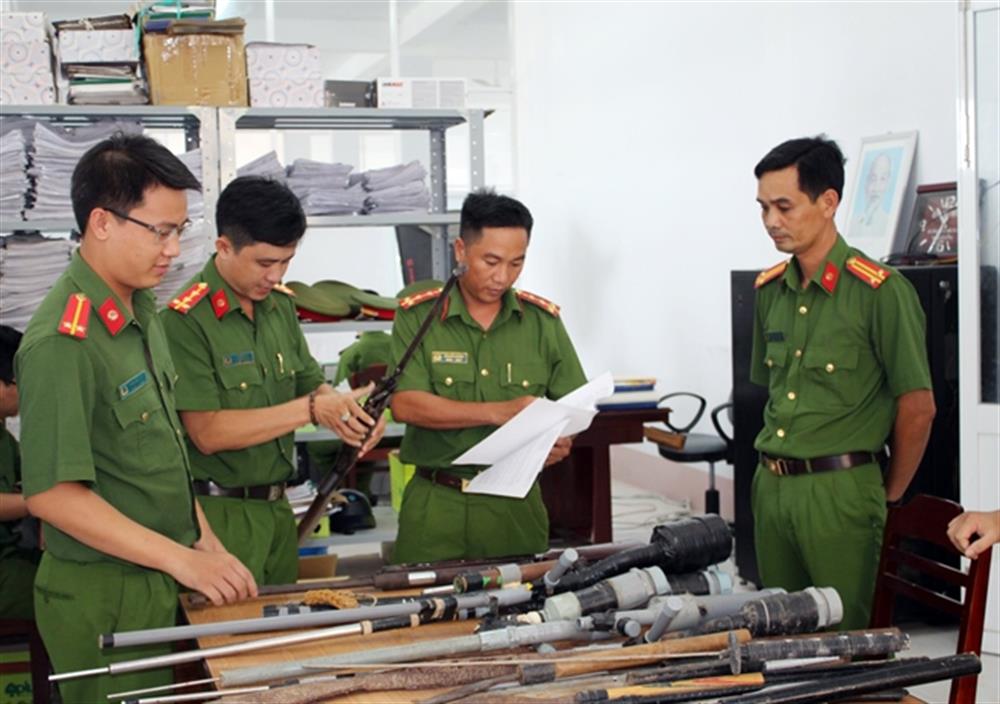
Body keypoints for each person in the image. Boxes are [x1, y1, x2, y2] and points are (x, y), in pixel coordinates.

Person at [15, 133, 257, 703]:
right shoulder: (62, 341)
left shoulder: (141, 310)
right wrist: (182, 560)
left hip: (157, 577)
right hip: (105, 596)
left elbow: (160, 453)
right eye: (161, 231)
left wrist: (206, 543)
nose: (173, 249)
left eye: (180, 230)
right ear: (102, 222)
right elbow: (51, 495)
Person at [160, 176, 386, 586]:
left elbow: (310, 383)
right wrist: (313, 410)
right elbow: (207, 432)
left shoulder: (279, 306)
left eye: (286, 262)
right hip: (219, 518)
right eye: (265, 263)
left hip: (279, 511)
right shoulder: (184, 321)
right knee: (225, 643)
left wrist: (349, 414)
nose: (276, 274)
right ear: (224, 247)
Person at [750, 136, 936, 631]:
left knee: (843, 642)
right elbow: (769, 393)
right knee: (778, 638)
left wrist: (887, 493)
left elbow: (917, 407)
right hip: (772, 488)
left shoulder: (881, 293)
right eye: (764, 207)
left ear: (828, 202)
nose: (772, 221)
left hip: (841, 492)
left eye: (784, 206)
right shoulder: (770, 291)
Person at [389, 190, 587, 564]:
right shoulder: (420, 318)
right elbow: (405, 404)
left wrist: (560, 440)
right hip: (437, 505)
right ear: (461, 250)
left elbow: (574, 403)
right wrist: (499, 412)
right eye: (491, 261)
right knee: (424, 612)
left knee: (519, 613)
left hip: (513, 505)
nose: (502, 277)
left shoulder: (542, 323)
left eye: (516, 263)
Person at [0, 324, 40, 620]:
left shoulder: (6, 439)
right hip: (4, 569)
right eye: (19, 381)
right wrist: (44, 502)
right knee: (65, 591)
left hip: (12, 554)